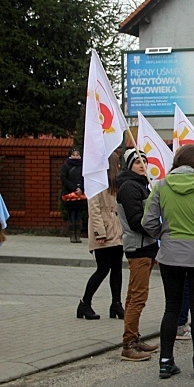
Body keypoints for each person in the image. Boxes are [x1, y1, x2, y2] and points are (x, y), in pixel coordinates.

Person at [143, 144, 194, 379]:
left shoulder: (161, 186)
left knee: (171, 307)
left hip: (170, 255)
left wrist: (164, 235)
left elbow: (148, 221)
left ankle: (165, 361)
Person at [116, 149, 159, 362]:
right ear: (129, 165)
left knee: (134, 294)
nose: (143, 165)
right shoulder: (129, 187)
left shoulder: (141, 184)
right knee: (138, 296)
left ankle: (135, 336)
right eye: (138, 162)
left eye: (145, 161)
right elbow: (136, 221)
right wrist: (158, 227)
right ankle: (128, 344)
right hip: (138, 248)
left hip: (147, 247)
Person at [77, 152, 124, 321]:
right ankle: (85, 302)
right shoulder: (96, 183)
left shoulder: (115, 184)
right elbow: (94, 210)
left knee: (117, 268)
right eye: (117, 163)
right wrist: (99, 233)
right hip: (104, 230)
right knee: (103, 268)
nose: (119, 166)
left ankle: (116, 304)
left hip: (117, 230)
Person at [60, 147, 86, 243]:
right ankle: (72, 235)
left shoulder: (83, 166)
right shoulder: (65, 166)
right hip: (69, 194)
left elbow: (85, 178)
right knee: (71, 214)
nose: (75, 156)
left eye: (77, 154)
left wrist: (81, 188)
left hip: (80, 195)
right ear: (70, 155)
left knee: (79, 214)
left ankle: (78, 235)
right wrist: (74, 188)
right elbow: (63, 179)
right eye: (73, 154)